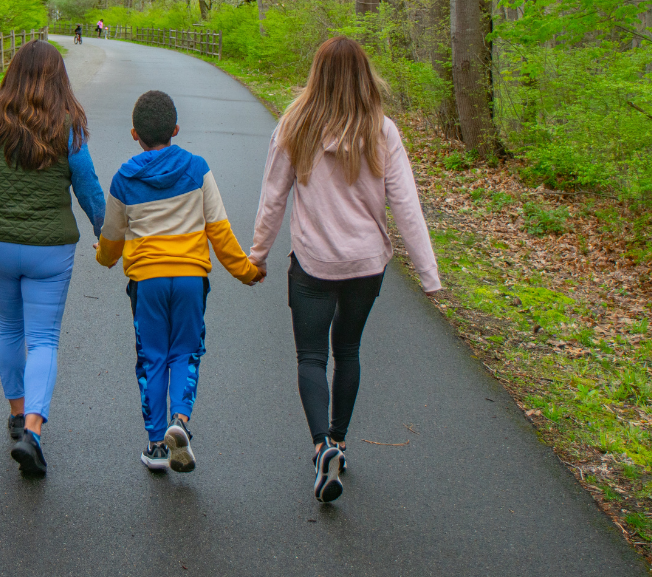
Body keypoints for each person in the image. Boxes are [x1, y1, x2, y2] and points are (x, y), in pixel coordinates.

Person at [249, 37, 440, 503]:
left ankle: (321, 448)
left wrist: (257, 255)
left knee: (311, 358)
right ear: (364, 75)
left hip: (313, 263)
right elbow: (407, 206)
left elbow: (273, 196)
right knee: (348, 350)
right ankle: (339, 440)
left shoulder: (296, 124)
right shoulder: (382, 130)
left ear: (317, 74)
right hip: (365, 264)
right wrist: (428, 274)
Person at [0, 40, 106, 477]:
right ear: (57, 78)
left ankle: (16, 413)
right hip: (51, 248)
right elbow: (87, 187)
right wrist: (107, 234)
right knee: (44, 338)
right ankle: (33, 429)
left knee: (9, 326)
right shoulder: (67, 124)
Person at [96, 90, 264, 473]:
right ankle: (181, 422)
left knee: (151, 359)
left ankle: (157, 445)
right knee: (185, 352)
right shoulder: (197, 168)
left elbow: (111, 238)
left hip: (148, 282)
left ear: (134, 134)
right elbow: (220, 231)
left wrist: (103, 258)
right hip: (190, 279)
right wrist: (247, 271)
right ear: (175, 129)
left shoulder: (124, 178)